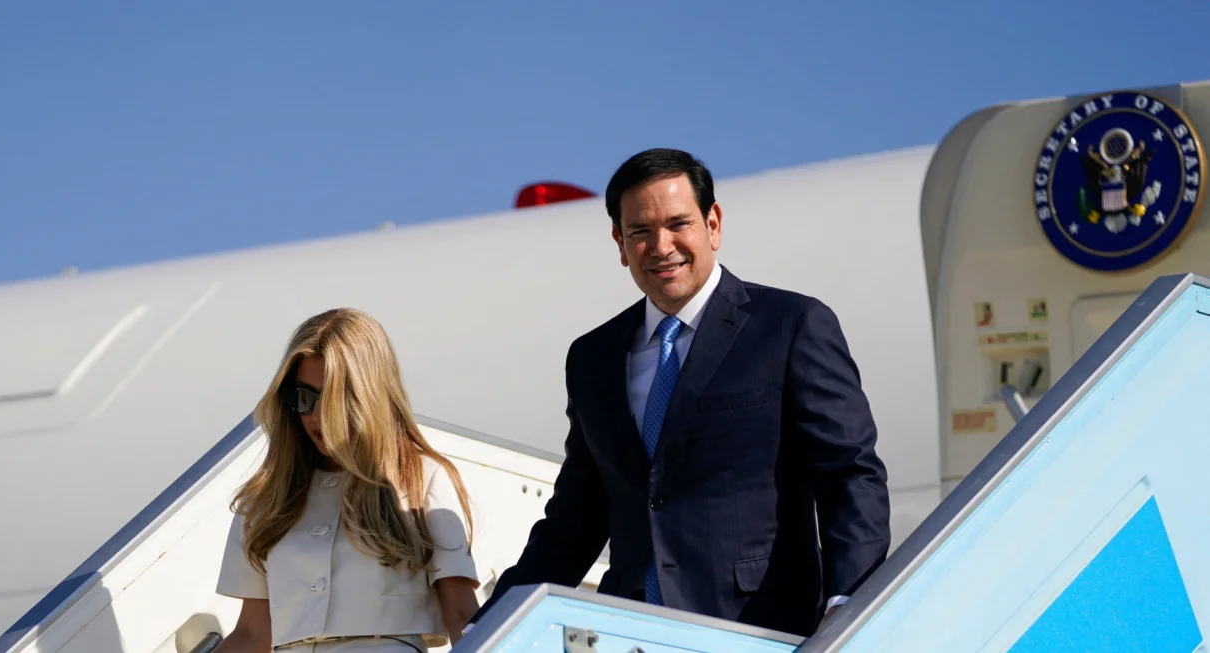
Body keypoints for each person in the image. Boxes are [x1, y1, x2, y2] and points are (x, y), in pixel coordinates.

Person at [467, 148, 890, 638]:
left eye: (678, 224)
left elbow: (849, 475)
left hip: (758, 629)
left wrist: (848, 603)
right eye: (640, 231)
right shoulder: (593, 357)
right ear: (620, 243)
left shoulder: (789, 326)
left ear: (713, 224)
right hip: (629, 630)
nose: (661, 246)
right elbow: (575, 520)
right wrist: (489, 626)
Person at [212, 308, 481, 652]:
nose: (316, 416)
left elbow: (462, 615)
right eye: (304, 397)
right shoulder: (266, 499)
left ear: (369, 396)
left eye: (334, 399)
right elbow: (252, 634)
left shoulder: (423, 478)